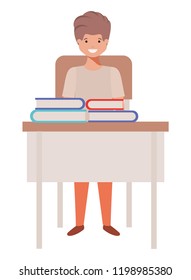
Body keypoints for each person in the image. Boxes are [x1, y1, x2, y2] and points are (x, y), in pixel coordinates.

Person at [62, 11, 125, 236]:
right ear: (78, 42)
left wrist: (98, 107)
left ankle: (106, 222)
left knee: (105, 178)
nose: (92, 45)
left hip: (106, 133)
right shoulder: (73, 73)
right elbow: (68, 104)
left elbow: (120, 104)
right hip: (79, 134)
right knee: (80, 178)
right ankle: (79, 222)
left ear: (106, 42)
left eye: (97, 40)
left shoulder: (113, 73)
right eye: (86, 40)